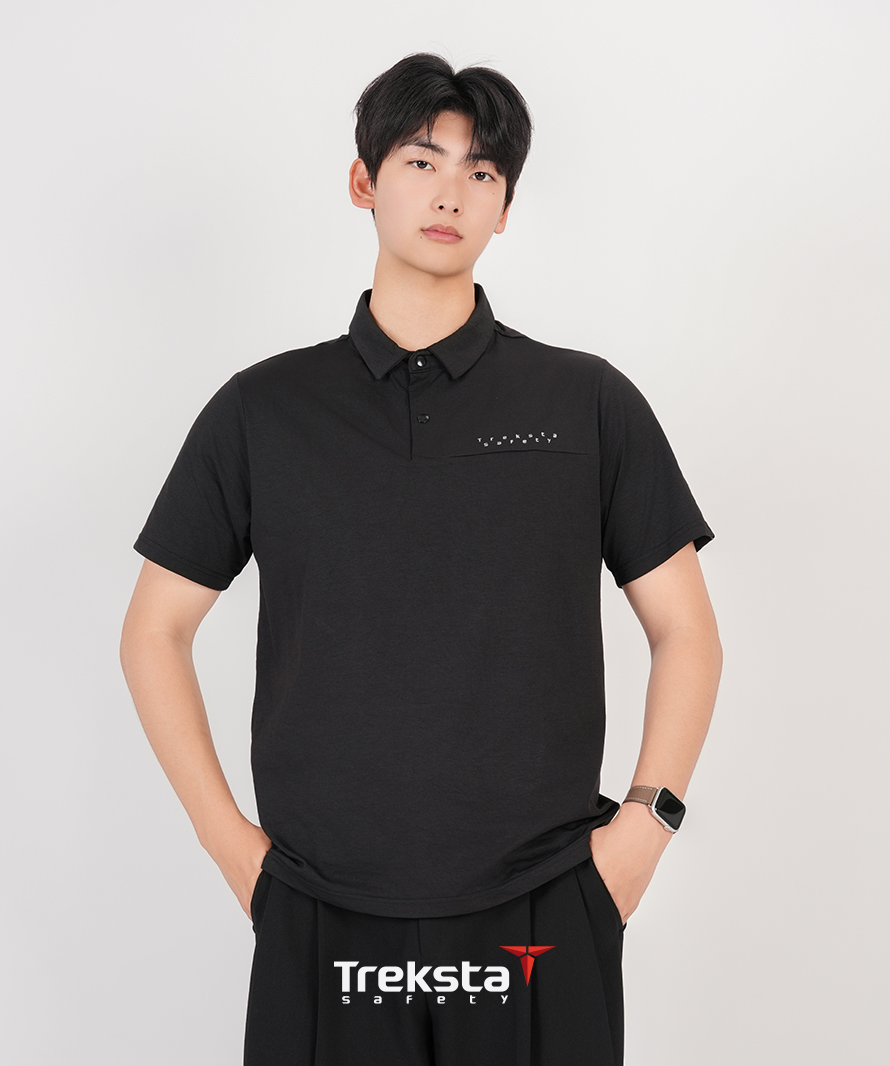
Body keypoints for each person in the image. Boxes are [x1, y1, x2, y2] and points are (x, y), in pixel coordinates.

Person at [120, 51, 722, 1066]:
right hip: (320, 906)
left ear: (504, 209)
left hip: (541, 906)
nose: (451, 192)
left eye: (481, 172)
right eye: (421, 160)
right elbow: (153, 630)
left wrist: (640, 832)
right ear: (363, 182)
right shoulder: (263, 410)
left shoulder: (586, 402)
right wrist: (236, 853)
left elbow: (686, 630)